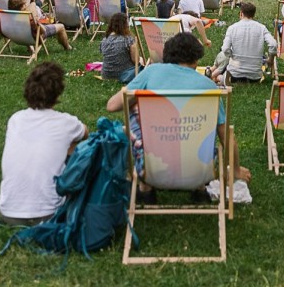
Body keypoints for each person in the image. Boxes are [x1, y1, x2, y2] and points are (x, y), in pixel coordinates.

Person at [106, 33, 251, 197]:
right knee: (202, 126)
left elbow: (112, 105)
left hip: (151, 168)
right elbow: (226, 136)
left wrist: (139, 96)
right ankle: (199, 189)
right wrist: (236, 169)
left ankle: (146, 189)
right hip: (199, 171)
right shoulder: (209, 87)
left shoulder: (151, 72)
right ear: (196, 59)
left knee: (136, 109)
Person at [0, 62, 87, 225]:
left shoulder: (15, 119)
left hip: (9, 213)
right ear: (58, 92)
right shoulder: (66, 122)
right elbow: (85, 133)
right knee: (75, 146)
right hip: (50, 214)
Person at [215, 2, 277, 83]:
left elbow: (225, 48)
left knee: (218, 77)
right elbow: (273, 44)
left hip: (234, 75)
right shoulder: (262, 28)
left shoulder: (232, 28)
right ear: (253, 15)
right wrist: (270, 60)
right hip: (255, 77)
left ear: (241, 13)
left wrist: (231, 56)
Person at [7, 0, 72, 52]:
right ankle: (67, 48)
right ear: (22, 6)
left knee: (26, 29)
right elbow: (43, 31)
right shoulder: (29, 17)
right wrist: (39, 23)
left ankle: (30, 48)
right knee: (61, 27)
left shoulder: (10, 16)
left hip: (17, 38)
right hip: (35, 38)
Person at [100, 13, 138, 84]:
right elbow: (135, 60)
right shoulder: (128, 39)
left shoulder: (104, 40)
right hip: (125, 74)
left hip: (106, 74)